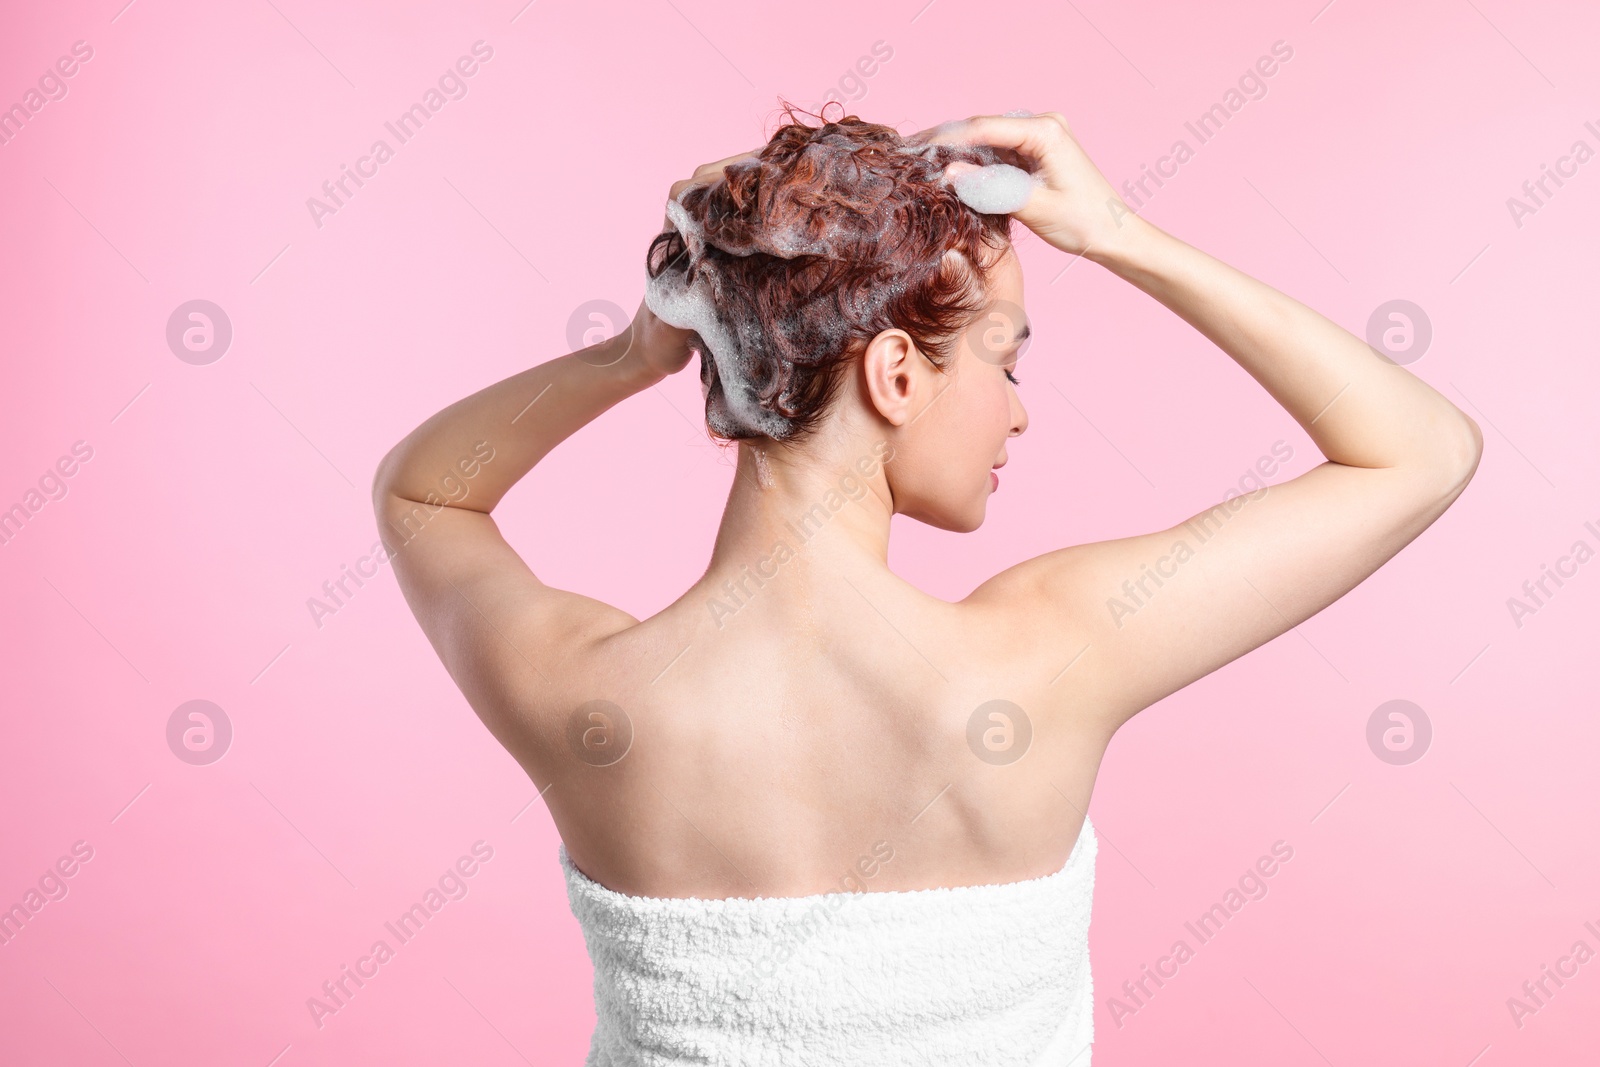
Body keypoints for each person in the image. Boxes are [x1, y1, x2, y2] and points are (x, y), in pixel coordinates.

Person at [372, 107, 1482, 1065]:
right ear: (897, 373)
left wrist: (630, 354)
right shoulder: (1049, 655)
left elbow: (424, 495)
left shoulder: (589, 699)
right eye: (1006, 359)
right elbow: (1417, 452)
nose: (1018, 409)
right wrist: (1117, 236)